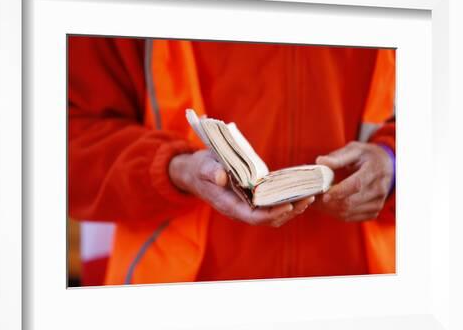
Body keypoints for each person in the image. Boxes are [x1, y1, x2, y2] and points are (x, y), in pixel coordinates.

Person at [68, 37, 396, 285]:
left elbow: (443, 114)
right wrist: (173, 169)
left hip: (363, 296)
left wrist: (394, 164)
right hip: (177, 305)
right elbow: (67, 139)